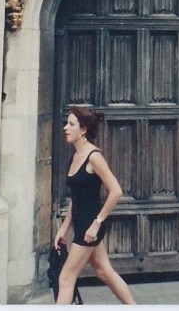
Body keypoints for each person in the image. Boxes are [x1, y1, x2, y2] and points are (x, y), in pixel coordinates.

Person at [54, 107, 135, 304]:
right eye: (67, 123)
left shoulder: (93, 156)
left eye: (71, 124)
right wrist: (64, 228)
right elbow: (77, 197)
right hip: (82, 223)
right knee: (103, 272)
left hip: (90, 225)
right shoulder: (75, 156)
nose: (65, 128)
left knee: (66, 278)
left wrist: (97, 223)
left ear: (83, 130)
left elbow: (116, 190)